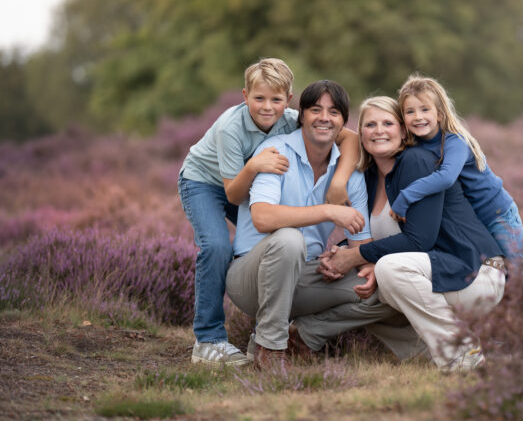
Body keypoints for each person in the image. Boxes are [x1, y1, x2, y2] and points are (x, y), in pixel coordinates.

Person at [298, 96, 506, 371]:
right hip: (435, 270)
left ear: (403, 131)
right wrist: (345, 251)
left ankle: (462, 353)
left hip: (474, 271)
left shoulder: (415, 162)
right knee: (367, 285)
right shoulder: (371, 177)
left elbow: (419, 240)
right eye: (370, 125)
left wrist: (356, 256)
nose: (379, 130)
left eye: (388, 123)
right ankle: (422, 351)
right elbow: (382, 236)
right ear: (361, 134)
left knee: (387, 270)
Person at [178, 59, 359, 366]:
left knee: (278, 238)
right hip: (206, 183)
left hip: (247, 182)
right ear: (244, 95)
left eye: (276, 100)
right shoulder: (230, 128)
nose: (267, 107)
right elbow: (233, 195)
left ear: (288, 100)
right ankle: (208, 341)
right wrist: (253, 166)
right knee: (218, 246)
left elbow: (351, 138)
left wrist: (339, 181)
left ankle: (266, 335)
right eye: (258, 98)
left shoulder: (291, 120)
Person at [224, 80, 393, 370]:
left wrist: (354, 262)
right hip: (251, 278)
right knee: (290, 240)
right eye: (316, 110)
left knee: (385, 287)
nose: (324, 118)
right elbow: (263, 218)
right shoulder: (275, 151)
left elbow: (360, 242)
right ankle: (270, 348)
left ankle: (301, 336)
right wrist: (327, 211)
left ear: (343, 122)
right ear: (301, 115)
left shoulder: (349, 173)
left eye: (334, 112)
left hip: (306, 276)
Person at [390, 74, 523, 323]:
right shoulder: (419, 147)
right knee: (497, 273)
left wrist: (405, 197)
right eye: (410, 111)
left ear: (440, 113)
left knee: (518, 265)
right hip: (474, 221)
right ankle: (511, 327)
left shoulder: (455, 141)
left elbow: (446, 178)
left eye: (425, 109)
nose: (418, 116)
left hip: (497, 213)